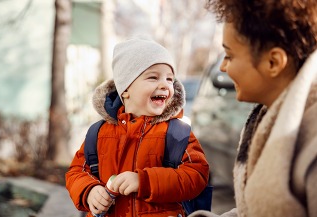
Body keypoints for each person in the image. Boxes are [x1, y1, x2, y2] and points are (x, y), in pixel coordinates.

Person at [189, 0, 317, 217]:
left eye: (229, 55)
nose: (222, 67)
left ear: (273, 63)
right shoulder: (269, 117)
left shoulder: (312, 148)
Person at [66, 38, 209, 217]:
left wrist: (145, 181)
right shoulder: (98, 133)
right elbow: (76, 171)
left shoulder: (176, 133)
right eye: (153, 77)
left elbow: (197, 175)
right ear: (125, 89)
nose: (165, 84)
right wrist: (89, 191)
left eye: (170, 79)